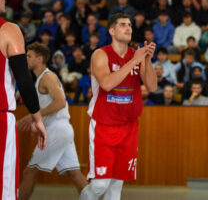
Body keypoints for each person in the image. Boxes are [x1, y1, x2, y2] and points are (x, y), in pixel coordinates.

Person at [79, 13, 156, 200]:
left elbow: (152, 87)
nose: (128, 27)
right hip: (103, 126)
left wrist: (146, 60)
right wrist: (135, 61)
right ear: (112, 30)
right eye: (123, 25)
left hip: (129, 127)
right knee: (99, 185)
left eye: (129, 24)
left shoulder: (136, 56)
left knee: (116, 186)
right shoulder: (100, 54)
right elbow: (106, 83)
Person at [18, 43, 87, 200]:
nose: (26, 59)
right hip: (62, 129)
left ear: (40, 58)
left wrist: (33, 116)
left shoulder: (47, 77)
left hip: (57, 130)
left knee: (29, 172)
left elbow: (60, 102)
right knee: (74, 174)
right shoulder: (42, 78)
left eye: (29, 56)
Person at [0, 0, 46, 200]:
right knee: (5, 189)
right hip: (1, 117)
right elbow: (24, 82)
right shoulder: (8, 30)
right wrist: (38, 119)